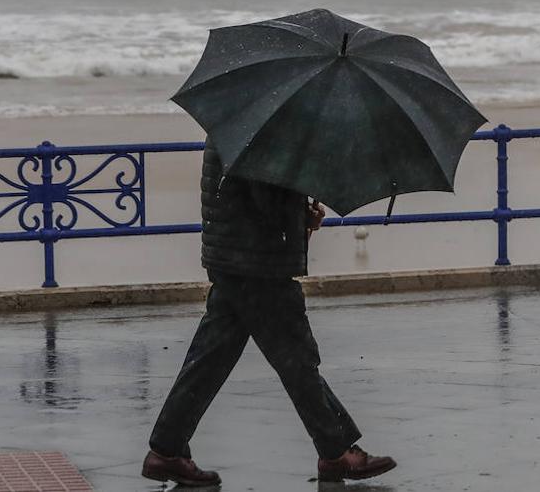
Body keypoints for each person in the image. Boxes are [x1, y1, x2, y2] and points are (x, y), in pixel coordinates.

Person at [142, 139, 396, 486]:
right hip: (258, 264)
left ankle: (166, 451)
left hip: (235, 256)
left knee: (210, 360)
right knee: (297, 360)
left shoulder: (237, 126)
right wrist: (302, 213)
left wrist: (301, 212)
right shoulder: (259, 139)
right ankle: (336, 451)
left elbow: (252, 195)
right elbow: (266, 201)